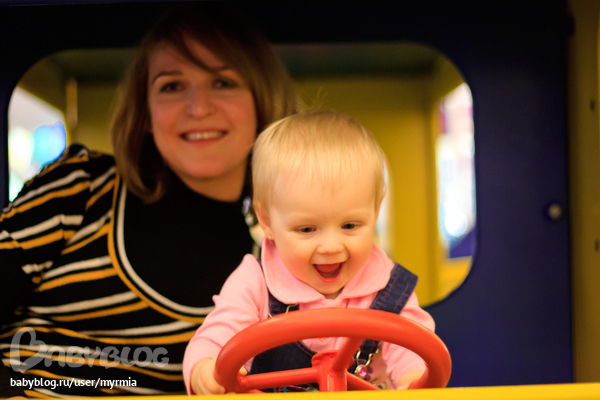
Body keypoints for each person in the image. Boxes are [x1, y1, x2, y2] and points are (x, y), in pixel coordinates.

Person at [0, 4, 296, 398]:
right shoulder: (81, 187)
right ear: (145, 113)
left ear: (262, 102)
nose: (198, 108)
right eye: (171, 86)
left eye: (223, 83)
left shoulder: (272, 273)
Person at [183, 109, 435, 395]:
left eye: (349, 225)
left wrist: (414, 378)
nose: (331, 247)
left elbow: (414, 347)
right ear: (267, 221)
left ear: (376, 212)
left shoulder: (387, 286)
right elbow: (214, 338)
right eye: (306, 229)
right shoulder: (255, 282)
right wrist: (204, 369)